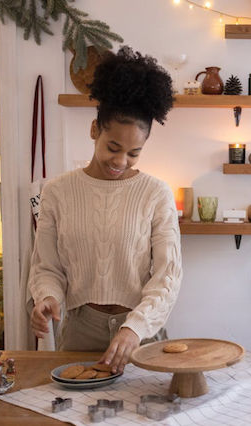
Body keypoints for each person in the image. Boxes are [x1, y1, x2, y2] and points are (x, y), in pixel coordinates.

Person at [28, 46, 182, 373]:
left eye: (133, 153)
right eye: (113, 147)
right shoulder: (56, 192)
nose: (121, 161)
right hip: (80, 333)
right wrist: (48, 299)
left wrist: (135, 327)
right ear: (95, 130)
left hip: (140, 335)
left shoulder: (156, 193)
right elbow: (47, 267)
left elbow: (167, 275)